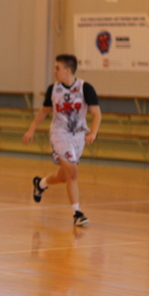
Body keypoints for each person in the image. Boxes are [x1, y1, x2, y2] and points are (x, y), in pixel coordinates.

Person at [22, 54, 102, 226]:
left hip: (78, 136)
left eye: (57, 68)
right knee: (73, 172)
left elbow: (97, 114)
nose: (54, 71)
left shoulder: (85, 88)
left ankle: (41, 184)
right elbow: (44, 111)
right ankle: (77, 213)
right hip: (59, 134)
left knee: (65, 176)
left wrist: (93, 133)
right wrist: (31, 129)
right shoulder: (53, 89)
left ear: (67, 70)